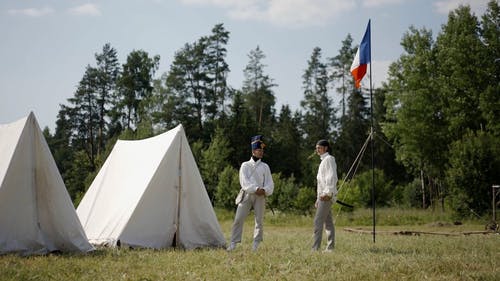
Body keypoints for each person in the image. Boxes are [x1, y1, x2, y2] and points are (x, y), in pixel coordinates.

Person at [227, 135, 274, 251]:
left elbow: (270, 183)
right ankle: (233, 243)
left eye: (262, 150)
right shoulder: (245, 165)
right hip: (247, 194)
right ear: (253, 151)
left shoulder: (265, 166)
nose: (261, 152)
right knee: (238, 218)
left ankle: (256, 244)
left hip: (261, 196)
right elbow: (244, 182)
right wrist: (255, 189)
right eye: (259, 150)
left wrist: (265, 190)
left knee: (259, 221)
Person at [312, 139, 338, 252]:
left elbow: (332, 177)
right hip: (322, 196)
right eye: (316, 148)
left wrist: (328, 193)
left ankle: (315, 248)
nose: (317, 149)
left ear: (326, 148)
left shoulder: (329, 159)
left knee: (318, 221)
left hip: (326, 196)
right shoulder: (323, 161)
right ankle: (330, 247)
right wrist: (318, 198)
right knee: (328, 223)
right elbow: (320, 183)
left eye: (319, 147)